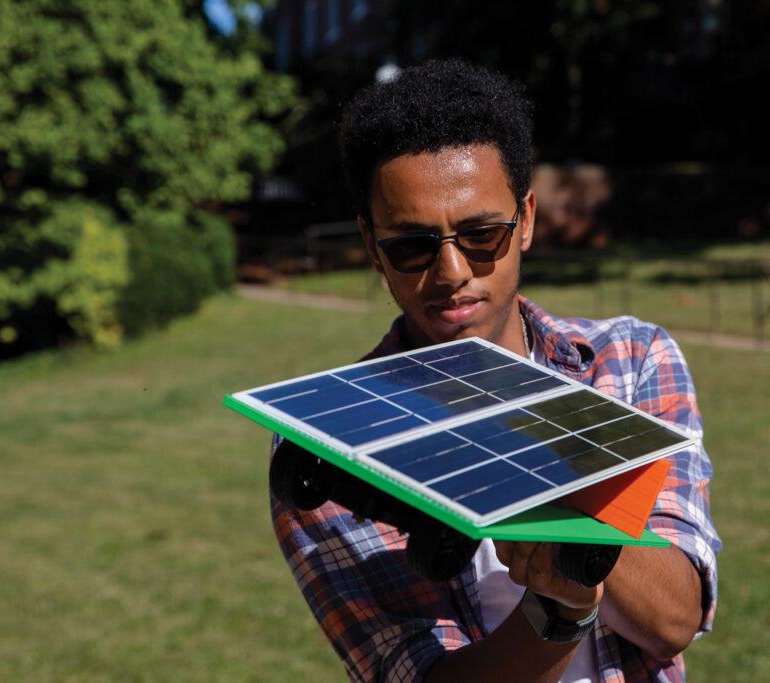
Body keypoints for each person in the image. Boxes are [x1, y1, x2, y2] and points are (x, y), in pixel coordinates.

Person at [270, 59, 720, 683]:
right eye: (411, 245)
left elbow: (675, 617)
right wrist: (561, 612)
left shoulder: (631, 359)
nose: (452, 271)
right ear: (372, 246)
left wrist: (559, 498)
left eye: (483, 234)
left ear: (527, 219)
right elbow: (421, 674)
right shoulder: (327, 446)